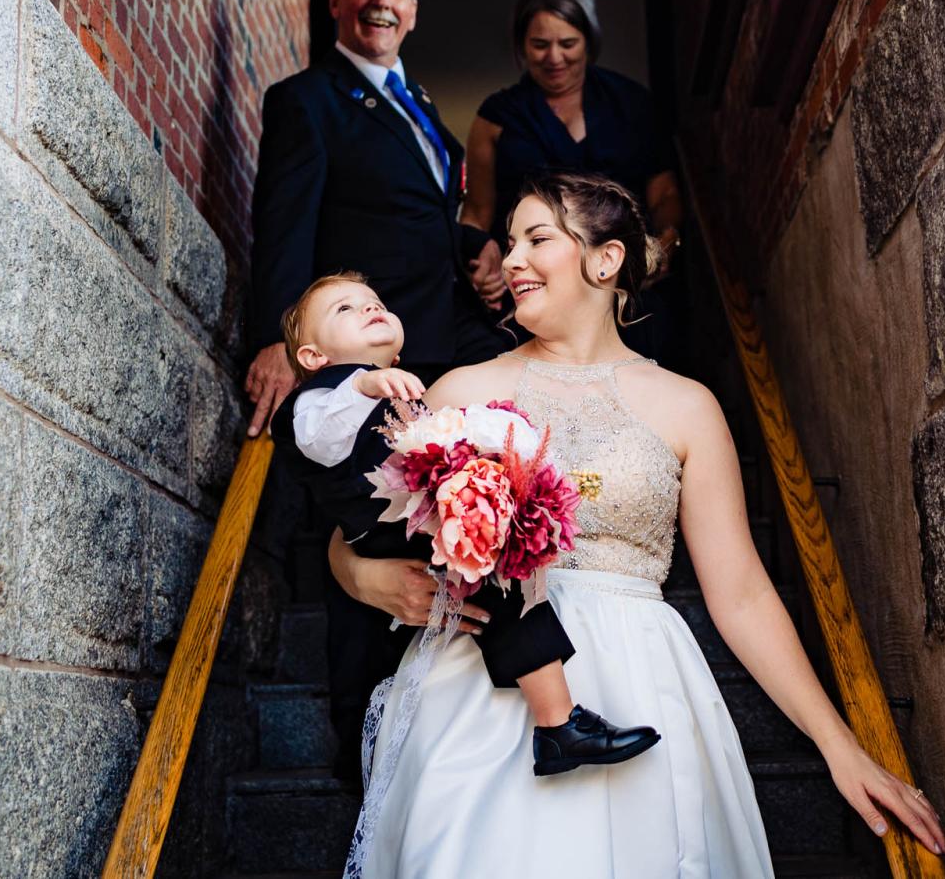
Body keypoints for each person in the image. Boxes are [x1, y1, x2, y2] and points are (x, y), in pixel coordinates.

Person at [329, 173, 945, 876]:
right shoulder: (461, 390)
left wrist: (842, 746)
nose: (511, 261)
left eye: (536, 239)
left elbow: (741, 592)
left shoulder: (688, 406)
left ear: (606, 259)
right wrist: (363, 576)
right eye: (507, 245)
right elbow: (357, 524)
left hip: (641, 674)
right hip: (480, 685)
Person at [246, 0, 510, 776]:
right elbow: (285, 224)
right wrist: (282, 345)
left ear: (416, 9)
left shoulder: (422, 103)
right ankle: (365, 759)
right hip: (359, 364)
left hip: (436, 343)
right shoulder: (307, 100)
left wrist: (476, 249)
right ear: (335, 3)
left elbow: (420, 216)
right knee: (373, 542)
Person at [272, 271, 660, 779]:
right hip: (383, 535)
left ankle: (557, 724)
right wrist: (363, 383)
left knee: (504, 583)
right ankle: (558, 724)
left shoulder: (406, 394)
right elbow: (316, 436)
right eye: (344, 310)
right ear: (313, 359)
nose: (369, 308)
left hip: (420, 524)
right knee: (496, 579)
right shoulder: (318, 400)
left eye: (374, 301)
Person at [460, 0, 685, 369]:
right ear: (521, 46)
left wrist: (666, 241)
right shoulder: (495, 116)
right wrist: (480, 254)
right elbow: (477, 212)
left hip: (624, 288)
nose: (554, 58)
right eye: (539, 44)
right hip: (534, 289)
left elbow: (663, 192)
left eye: (568, 44)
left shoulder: (632, 103)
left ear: (589, 41)